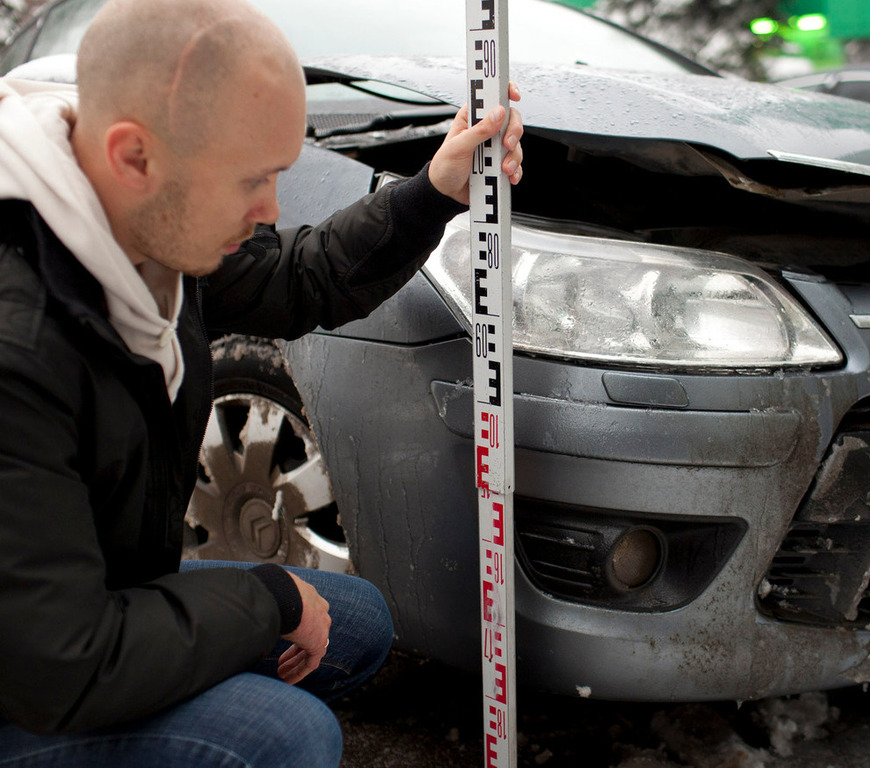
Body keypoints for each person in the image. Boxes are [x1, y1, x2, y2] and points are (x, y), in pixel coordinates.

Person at [0, 0, 524, 764]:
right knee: (283, 737)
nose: (270, 209)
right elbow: (62, 665)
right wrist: (268, 601)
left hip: (82, 599)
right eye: (252, 179)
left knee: (356, 623)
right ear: (134, 157)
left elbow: (295, 278)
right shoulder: (18, 346)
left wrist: (434, 191)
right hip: (35, 676)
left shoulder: (133, 213)